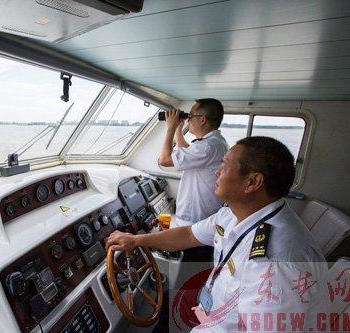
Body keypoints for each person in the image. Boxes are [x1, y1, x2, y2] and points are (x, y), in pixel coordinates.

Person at [108, 137, 328, 331]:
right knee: (167, 305)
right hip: (211, 306)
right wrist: (136, 240)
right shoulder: (233, 213)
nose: (217, 172)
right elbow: (188, 235)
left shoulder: (277, 262)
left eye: (224, 165)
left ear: (253, 182)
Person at [158, 98, 229, 228]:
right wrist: (179, 129)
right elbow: (187, 152)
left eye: (190, 116)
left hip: (194, 221)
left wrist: (170, 128)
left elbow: (164, 159)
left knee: (161, 230)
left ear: (202, 119)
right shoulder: (216, 142)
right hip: (202, 218)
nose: (188, 119)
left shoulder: (207, 146)